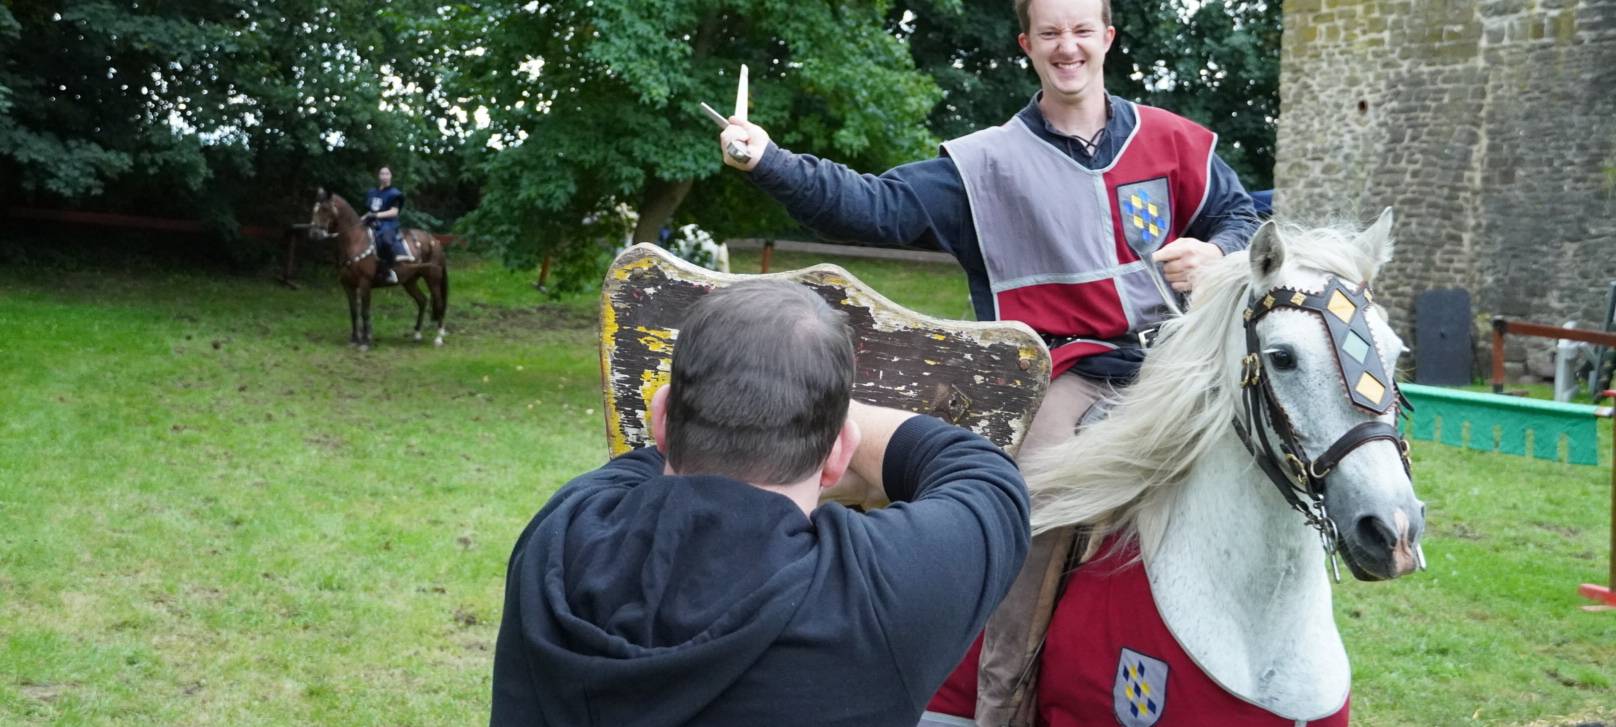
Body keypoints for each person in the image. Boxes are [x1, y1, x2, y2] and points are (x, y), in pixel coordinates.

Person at [714, 0, 1259, 720]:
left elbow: (1243, 214)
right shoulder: (985, 164)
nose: (1069, 48)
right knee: (1031, 507)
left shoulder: (1174, 140)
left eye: (1082, 31)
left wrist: (1218, 250)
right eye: (1052, 34)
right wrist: (769, 161)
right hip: (1062, 372)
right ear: (1026, 44)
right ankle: (1000, 701)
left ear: (1108, 38)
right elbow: (875, 207)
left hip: (1176, 366)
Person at [489, 280, 1031, 726]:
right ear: (840, 451)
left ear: (661, 418)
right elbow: (988, 479)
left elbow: (645, 460)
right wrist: (827, 421)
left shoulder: (558, 535)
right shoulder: (880, 594)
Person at [362, 165, 404, 284]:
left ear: (391, 176)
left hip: (388, 223)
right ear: (378, 176)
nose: (384, 176)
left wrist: (376, 215)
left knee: (385, 240)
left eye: (387, 174)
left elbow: (394, 212)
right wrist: (362, 219)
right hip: (372, 221)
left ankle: (390, 270)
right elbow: (370, 211)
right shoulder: (372, 192)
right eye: (382, 174)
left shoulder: (395, 194)